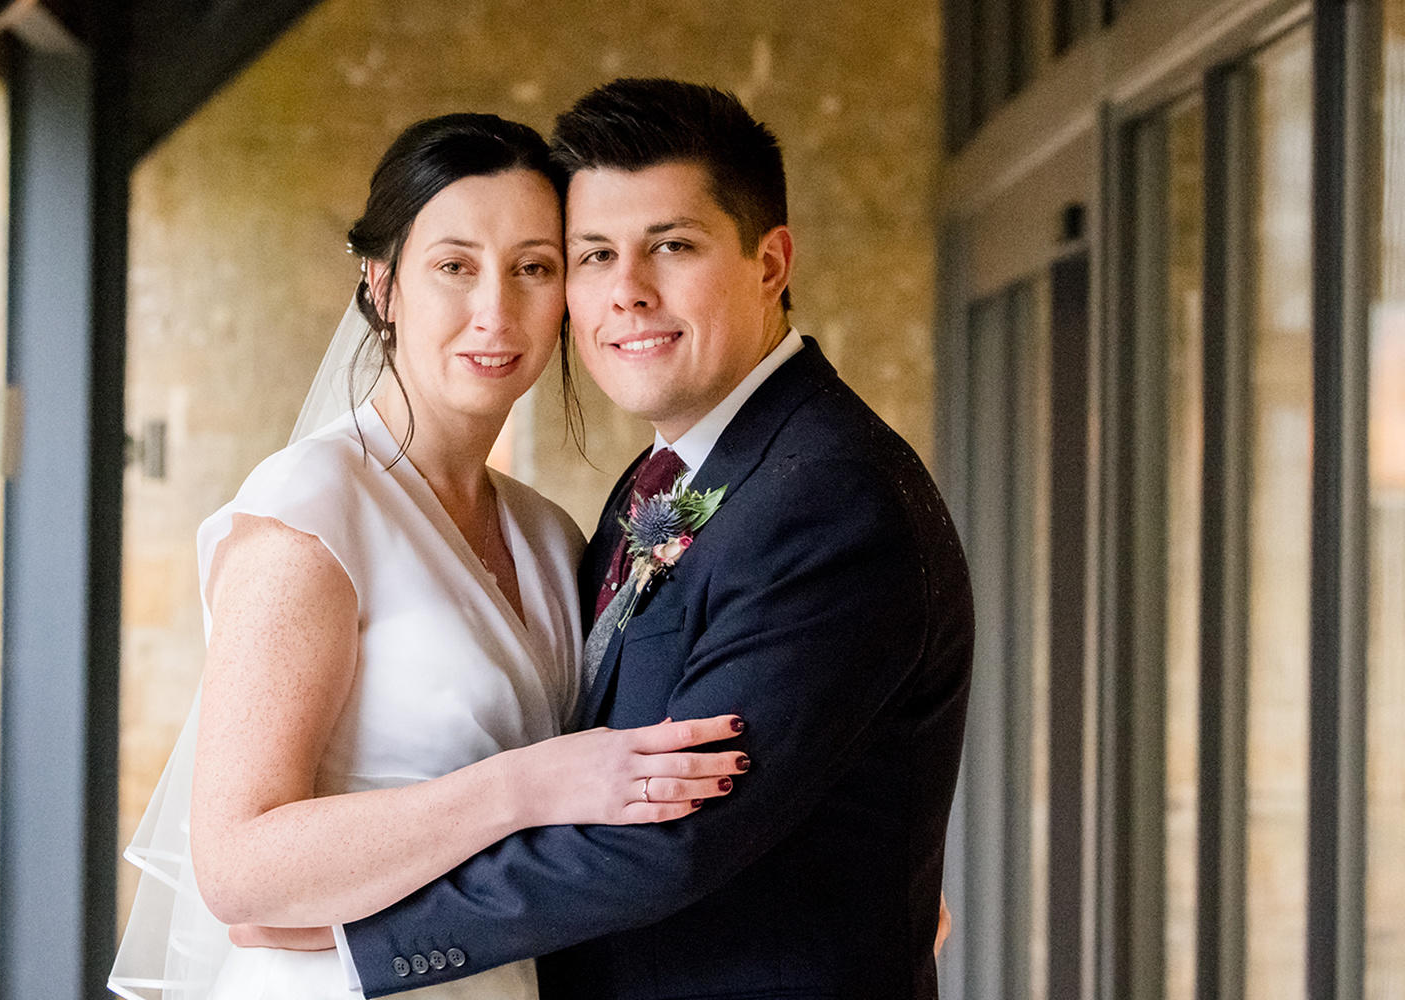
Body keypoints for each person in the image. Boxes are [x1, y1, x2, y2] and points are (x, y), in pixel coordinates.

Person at [320, 79, 974, 999]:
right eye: (592, 255)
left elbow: (679, 832)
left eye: (672, 246)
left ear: (771, 262)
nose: (625, 293)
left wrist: (359, 934)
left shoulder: (832, 498)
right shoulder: (663, 480)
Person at [107, 113, 750, 1000]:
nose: (496, 310)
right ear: (382, 286)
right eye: (454, 267)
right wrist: (522, 788)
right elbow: (236, 868)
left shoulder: (550, 534)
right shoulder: (311, 511)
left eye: (534, 267)